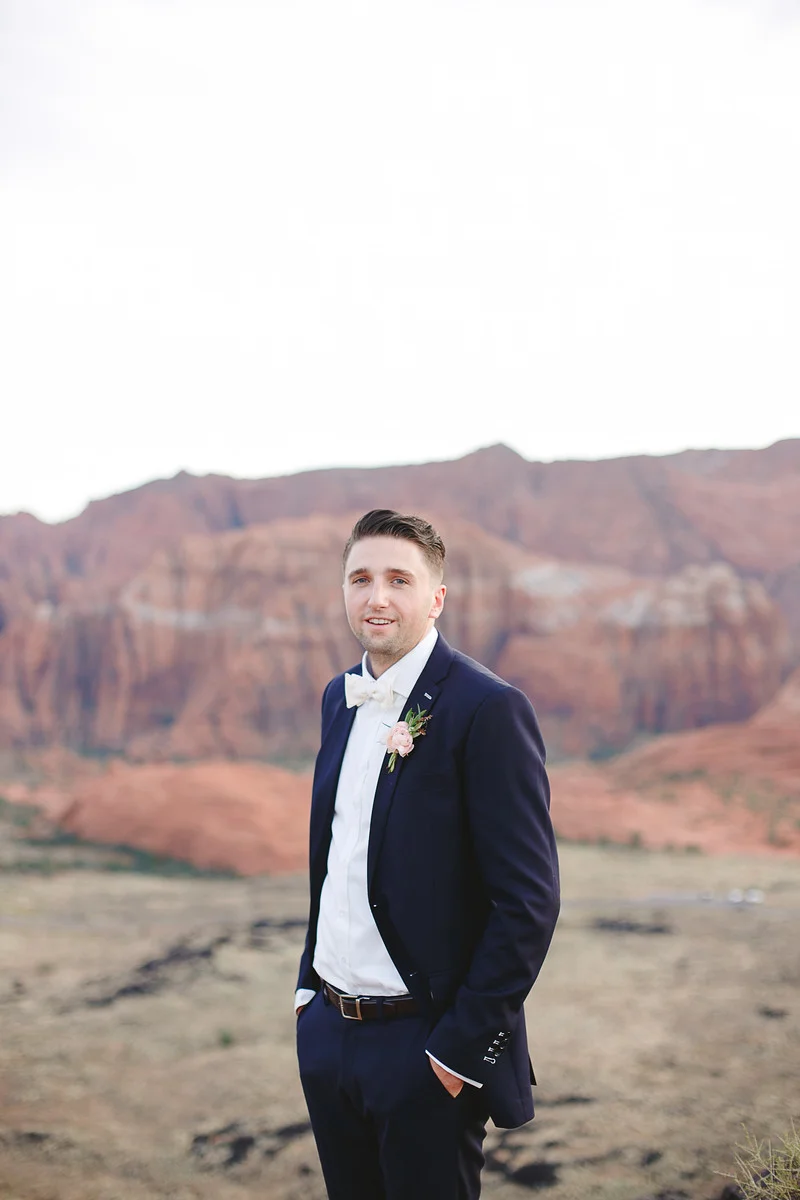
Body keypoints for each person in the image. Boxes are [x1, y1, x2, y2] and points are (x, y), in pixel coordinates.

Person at [295, 509, 560, 1200]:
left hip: (423, 1048)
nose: (376, 597)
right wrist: (307, 996)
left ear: (436, 597)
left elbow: (528, 902)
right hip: (328, 1036)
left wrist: (456, 1051)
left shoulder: (488, 709)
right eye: (360, 578)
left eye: (398, 580)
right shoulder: (339, 698)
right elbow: (337, 854)